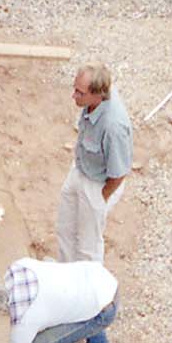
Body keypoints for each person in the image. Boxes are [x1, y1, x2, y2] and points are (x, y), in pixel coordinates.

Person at [56, 63, 133, 264]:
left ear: (98, 95)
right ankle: (65, 276)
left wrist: (100, 198)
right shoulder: (94, 101)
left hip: (98, 183)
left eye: (80, 93)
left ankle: (86, 291)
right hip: (81, 169)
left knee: (87, 245)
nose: (74, 96)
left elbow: (118, 173)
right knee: (65, 228)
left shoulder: (113, 126)